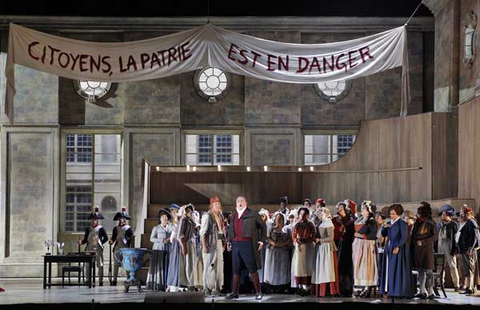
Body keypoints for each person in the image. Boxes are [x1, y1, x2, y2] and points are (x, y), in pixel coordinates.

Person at [226, 196, 267, 300]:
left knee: (252, 268)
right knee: (236, 269)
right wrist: (229, 241)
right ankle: (234, 292)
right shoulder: (234, 214)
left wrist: (261, 241)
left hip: (248, 244)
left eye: (241, 201)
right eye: (238, 201)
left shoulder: (252, 214)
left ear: (246, 203)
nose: (240, 203)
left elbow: (263, 227)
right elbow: (231, 229)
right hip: (235, 244)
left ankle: (258, 292)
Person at [379, 204, 414, 298]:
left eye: (393, 214)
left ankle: (397, 291)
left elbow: (404, 237)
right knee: (389, 268)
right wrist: (384, 227)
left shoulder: (402, 224)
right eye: (390, 214)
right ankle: (388, 289)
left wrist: (398, 246)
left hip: (399, 248)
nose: (391, 216)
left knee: (397, 269)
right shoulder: (390, 222)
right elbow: (384, 234)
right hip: (389, 247)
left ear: (398, 214)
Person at [410, 202, 437, 299]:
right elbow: (413, 234)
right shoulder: (417, 222)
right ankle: (422, 291)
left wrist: (423, 241)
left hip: (426, 250)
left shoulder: (430, 222)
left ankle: (430, 291)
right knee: (420, 270)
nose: (418, 212)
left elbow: (435, 236)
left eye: (420, 210)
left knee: (429, 271)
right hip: (417, 250)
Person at [311, 207, 339, 297]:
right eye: (318, 213)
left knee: (327, 269)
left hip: (327, 248)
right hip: (321, 247)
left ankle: (329, 291)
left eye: (320, 213)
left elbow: (331, 238)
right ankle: (321, 291)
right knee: (322, 269)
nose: (318, 214)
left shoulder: (328, 223)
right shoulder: (321, 222)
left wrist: (320, 240)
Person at [200, 197, 225, 296]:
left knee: (219, 266)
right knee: (209, 266)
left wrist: (222, 243)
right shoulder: (207, 216)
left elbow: (220, 231)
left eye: (218, 204)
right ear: (211, 206)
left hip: (218, 243)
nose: (217, 206)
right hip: (210, 243)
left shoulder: (220, 216)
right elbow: (203, 232)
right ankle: (207, 287)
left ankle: (217, 288)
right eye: (215, 204)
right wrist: (204, 245)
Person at [352, 200, 378, 298]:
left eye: (364, 208)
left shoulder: (371, 221)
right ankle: (361, 288)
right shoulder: (360, 219)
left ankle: (367, 288)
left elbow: (372, 234)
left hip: (366, 245)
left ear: (369, 210)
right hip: (358, 244)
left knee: (366, 265)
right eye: (362, 208)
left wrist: (360, 236)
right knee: (359, 266)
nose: (362, 210)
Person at [78, 205, 108, 286]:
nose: (93, 221)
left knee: (100, 263)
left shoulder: (101, 228)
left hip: (98, 248)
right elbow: (85, 239)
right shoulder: (88, 229)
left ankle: (100, 280)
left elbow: (106, 238)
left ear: (97, 220)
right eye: (92, 220)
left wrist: (100, 242)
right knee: (87, 264)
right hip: (89, 247)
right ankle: (88, 279)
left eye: (95, 219)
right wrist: (82, 242)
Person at [264, 212, 292, 293]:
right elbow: (267, 238)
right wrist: (275, 243)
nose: (279, 220)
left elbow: (290, 239)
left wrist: (283, 244)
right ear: (275, 219)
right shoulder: (271, 228)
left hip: (283, 252)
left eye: (281, 219)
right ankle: (271, 286)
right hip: (273, 251)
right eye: (278, 218)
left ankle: (282, 286)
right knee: (272, 268)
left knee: (282, 269)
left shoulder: (287, 229)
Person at [147, 209, 173, 291]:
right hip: (158, 249)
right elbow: (151, 239)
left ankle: (168, 284)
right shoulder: (156, 228)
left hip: (168, 249)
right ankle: (159, 284)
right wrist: (161, 240)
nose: (165, 219)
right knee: (159, 267)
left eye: (166, 217)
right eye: (163, 217)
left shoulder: (170, 228)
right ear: (160, 219)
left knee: (167, 266)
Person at [333, 201, 355, 297]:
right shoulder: (336, 220)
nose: (339, 211)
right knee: (340, 267)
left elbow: (351, 234)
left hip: (349, 246)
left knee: (347, 267)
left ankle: (348, 289)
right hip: (339, 245)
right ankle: (340, 289)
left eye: (341, 209)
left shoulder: (350, 221)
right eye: (338, 209)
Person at [292, 207, 316, 296]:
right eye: (301, 214)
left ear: (307, 215)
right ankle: (300, 287)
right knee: (299, 267)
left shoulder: (310, 224)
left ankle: (307, 287)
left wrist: (306, 240)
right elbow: (294, 235)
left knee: (307, 266)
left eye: (304, 214)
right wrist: (297, 241)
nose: (302, 216)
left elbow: (313, 235)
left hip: (308, 247)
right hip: (299, 248)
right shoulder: (297, 224)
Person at [437, 204, 460, 292]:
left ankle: (456, 285)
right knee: (440, 266)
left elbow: (456, 238)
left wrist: (455, 249)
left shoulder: (454, 224)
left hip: (449, 246)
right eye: (442, 214)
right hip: (440, 244)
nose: (443, 216)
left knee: (452, 266)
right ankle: (440, 283)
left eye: (445, 214)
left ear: (449, 215)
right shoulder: (439, 224)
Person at [456, 205, 478, 295]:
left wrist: (470, 248)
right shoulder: (464, 223)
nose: (461, 216)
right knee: (465, 269)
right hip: (462, 250)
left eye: (462, 214)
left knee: (470, 269)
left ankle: (471, 288)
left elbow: (475, 237)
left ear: (467, 214)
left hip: (468, 250)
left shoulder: (471, 222)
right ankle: (468, 286)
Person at [109, 206, 133, 286]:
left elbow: (130, 240)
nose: (121, 220)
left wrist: (125, 238)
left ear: (125, 219)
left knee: (126, 265)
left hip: (125, 248)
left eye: (122, 218)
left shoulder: (128, 229)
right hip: (117, 248)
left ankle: (128, 279)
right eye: (120, 218)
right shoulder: (115, 228)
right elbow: (113, 238)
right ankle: (114, 280)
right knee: (115, 265)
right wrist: (111, 241)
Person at [178, 204, 198, 291]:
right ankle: (189, 284)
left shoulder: (191, 221)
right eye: (188, 211)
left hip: (192, 244)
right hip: (186, 244)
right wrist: (183, 247)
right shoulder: (184, 220)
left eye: (190, 211)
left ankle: (192, 283)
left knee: (192, 264)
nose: (190, 212)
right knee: (188, 264)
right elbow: (180, 235)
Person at [166, 203, 182, 292]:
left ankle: (177, 283)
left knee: (177, 263)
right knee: (173, 263)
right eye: (172, 212)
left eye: (175, 211)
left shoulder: (179, 221)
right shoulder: (172, 222)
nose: (173, 213)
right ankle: (171, 283)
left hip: (178, 243)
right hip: (174, 244)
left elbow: (177, 232)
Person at [375, 210, 387, 289]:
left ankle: (380, 283)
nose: (377, 218)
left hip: (381, 249)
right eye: (376, 216)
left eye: (378, 216)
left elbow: (382, 240)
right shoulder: (374, 227)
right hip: (373, 248)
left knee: (379, 267)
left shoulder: (384, 227)